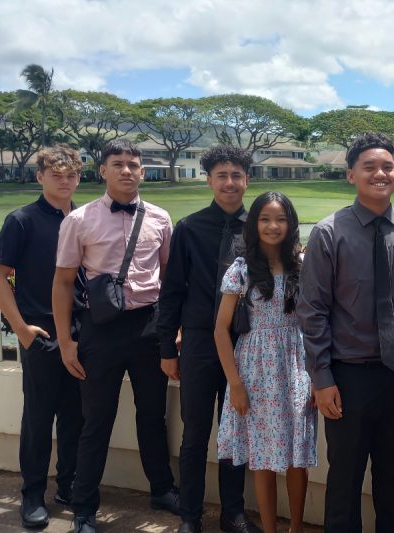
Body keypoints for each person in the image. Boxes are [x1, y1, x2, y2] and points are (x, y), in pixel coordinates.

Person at [297, 132, 394, 533]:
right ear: (351, 175)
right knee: (344, 480)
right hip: (347, 377)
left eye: (387, 166)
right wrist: (321, 379)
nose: (380, 173)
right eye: (369, 167)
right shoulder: (328, 233)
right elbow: (313, 311)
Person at [52, 139, 179, 533]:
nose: (127, 171)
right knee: (97, 420)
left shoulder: (160, 218)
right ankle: (84, 507)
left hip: (149, 326)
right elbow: (62, 282)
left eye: (134, 165)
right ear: (102, 171)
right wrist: (66, 340)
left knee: (152, 415)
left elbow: (170, 279)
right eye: (118, 164)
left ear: (143, 172)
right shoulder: (79, 220)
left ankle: (161, 488)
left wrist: (171, 331)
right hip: (100, 329)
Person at [157, 145, 259, 533]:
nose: (230, 182)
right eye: (222, 175)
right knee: (195, 433)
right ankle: (190, 516)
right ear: (209, 180)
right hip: (200, 342)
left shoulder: (261, 228)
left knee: (235, 434)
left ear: (247, 180)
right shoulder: (189, 228)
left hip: (245, 343)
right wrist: (168, 347)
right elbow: (171, 292)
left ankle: (233, 514)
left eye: (236, 175)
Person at [0, 145, 85, 529]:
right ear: (40, 176)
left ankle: (69, 485)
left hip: (81, 331)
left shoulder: (85, 217)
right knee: (39, 417)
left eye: (71, 175)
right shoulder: (22, 220)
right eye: (56, 174)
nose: (64, 181)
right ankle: (31, 493)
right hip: (41, 331)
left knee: (77, 415)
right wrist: (22, 329)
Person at [215, 191, 317, 533]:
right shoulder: (241, 269)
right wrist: (236, 385)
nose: (273, 226)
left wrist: (317, 376)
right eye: (265, 219)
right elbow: (220, 331)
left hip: (296, 366)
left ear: (291, 224)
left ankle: (296, 527)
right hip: (254, 370)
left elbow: (316, 323)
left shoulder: (303, 264)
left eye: (281, 219)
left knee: (297, 455)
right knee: (262, 458)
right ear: (253, 224)